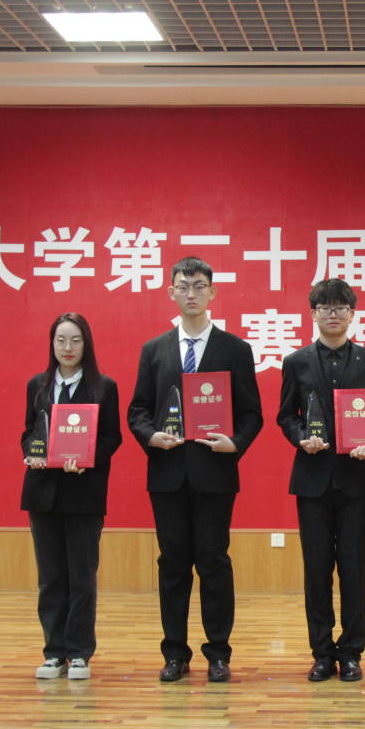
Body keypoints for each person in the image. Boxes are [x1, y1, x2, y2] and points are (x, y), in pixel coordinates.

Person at [127, 257, 263, 684]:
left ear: (212, 292)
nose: (191, 293)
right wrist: (151, 436)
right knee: (172, 564)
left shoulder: (235, 349)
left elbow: (252, 414)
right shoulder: (154, 350)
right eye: (183, 286)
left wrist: (235, 443)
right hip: (167, 474)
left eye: (199, 286)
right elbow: (137, 410)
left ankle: (218, 653)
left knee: (213, 563)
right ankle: (175, 653)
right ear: (171, 292)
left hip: (214, 473)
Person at [276, 279, 365, 682]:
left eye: (340, 307)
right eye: (325, 308)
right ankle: (322, 652)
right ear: (314, 314)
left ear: (352, 314)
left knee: (354, 569)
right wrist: (301, 438)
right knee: (317, 569)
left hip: (357, 481)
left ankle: (352, 651)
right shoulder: (296, 362)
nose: (333, 314)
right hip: (312, 480)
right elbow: (285, 415)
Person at [21, 312, 123, 681]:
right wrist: (32, 452)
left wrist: (87, 458)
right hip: (43, 494)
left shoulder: (103, 387)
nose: (68, 347)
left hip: (84, 494)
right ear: (52, 344)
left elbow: (112, 437)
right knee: (50, 577)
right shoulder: (38, 385)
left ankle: (79, 652)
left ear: (86, 344)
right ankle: (54, 652)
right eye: (61, 340)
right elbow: (29, 432)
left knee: (81, 575)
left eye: (75, 340)